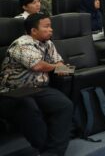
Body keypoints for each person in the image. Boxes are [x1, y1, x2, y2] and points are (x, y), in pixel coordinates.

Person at [0, 13, 73, 155]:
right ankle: (47, 148)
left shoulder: (48, 43)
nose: (51, 29)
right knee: (29, 107)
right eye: (47, 26)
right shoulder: (21, 44)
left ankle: (53, 152)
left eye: (51, 26)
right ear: (33, 30)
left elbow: (61, 64)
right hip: (12, 92)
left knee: (64, 105)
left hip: (37, 89)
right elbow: (37, 66)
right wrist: (57, 67)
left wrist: (62, 67)